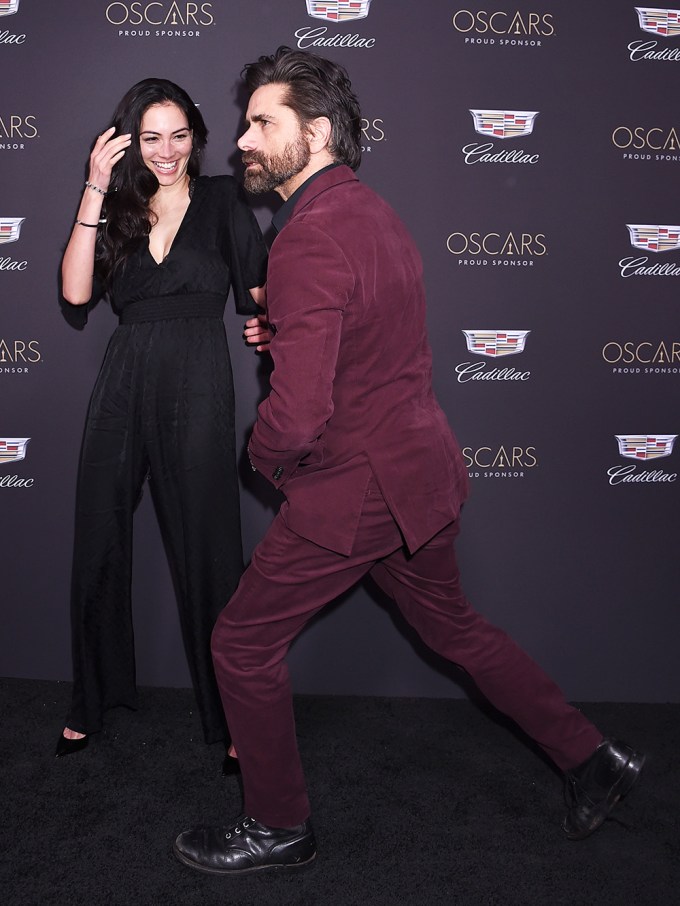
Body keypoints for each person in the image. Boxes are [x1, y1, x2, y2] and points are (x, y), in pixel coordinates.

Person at [173, 48, 644, 874]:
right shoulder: (371, 213)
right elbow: (369, 335)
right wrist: (287, 335)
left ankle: (280, 825)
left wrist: (263, 458)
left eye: (261, 122)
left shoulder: (307, 239)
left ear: (315, 133)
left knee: (241, 645)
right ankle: (595, 760)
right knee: (456, 628)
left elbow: (301, 415)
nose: (241, 139)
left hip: (356, 492)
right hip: (419, 476)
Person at [57, 78, 268, 759]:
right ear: (128, 142)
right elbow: (76, 291)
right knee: (98, 536)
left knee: (209, 547)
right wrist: (94, 185)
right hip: (124, 379)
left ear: (197, 139)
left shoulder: (224, 200)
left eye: (179, 135)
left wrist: (280, 327)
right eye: (151, 137)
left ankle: (234, 717)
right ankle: (92, 698)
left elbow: (260, 292)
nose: (168, 150)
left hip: (199, 378)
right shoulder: (117, 208)